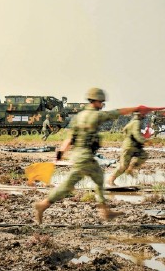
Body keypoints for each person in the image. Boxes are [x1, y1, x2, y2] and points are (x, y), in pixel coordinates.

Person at [34, 88, 141, 225]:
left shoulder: (79, 116)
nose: (102, 104)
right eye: (101, 102)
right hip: (84, 157)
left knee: (98, 178)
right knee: (68, 185)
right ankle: (42, 205)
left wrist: (60, 154)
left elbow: (70, 138)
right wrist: (136, 108)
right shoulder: (96, 116)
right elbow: (117, 112)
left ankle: (105, 210)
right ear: (95, 101)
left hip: (80, 156)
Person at [107, 112, 148, 186]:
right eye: (143, 114)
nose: (145, 115)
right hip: (130, 147)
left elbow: (124, 130)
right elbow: (136, 134)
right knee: (123, 166)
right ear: (139, 115)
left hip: (133, 146)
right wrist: (144, 141)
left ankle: (130, 169)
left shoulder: (131, 122)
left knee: (143, 155)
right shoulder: (136, 122)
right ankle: (111, 179)